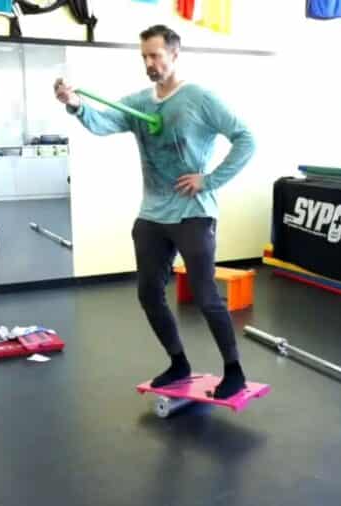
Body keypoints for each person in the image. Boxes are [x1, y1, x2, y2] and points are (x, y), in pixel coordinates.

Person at [54, 24, 256, 399]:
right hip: (152, 214)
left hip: (194, 212)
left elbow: (246, 139)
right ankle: (178, 363)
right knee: (148, 293)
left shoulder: (200, 98)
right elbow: (103, 122)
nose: (149, 63)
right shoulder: (139, 103)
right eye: (144, 56)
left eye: (156, 55)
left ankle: (234, 371)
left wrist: (209, 180)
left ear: (174, 54)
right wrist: (75, 104)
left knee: (205, 294)